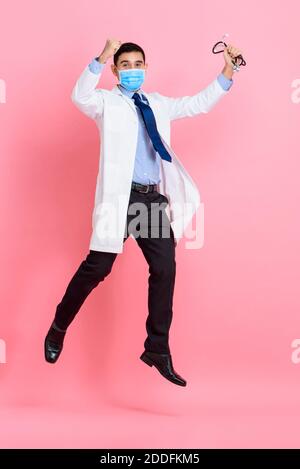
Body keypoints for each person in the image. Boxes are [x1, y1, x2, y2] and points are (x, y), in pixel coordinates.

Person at [44, 38, 243, 386]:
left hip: (149, 202)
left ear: (146, 68)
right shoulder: (105, 102)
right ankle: (59, 326)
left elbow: (198, 104)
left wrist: (228, 68)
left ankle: (157, 347)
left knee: (164, 268)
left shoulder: (157, 103)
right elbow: (80, 96)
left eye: (139, 64)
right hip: (119, 199)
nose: (133, 70)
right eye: (126, 64)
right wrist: (100, 56)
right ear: (115, 70)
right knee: (97, 268)